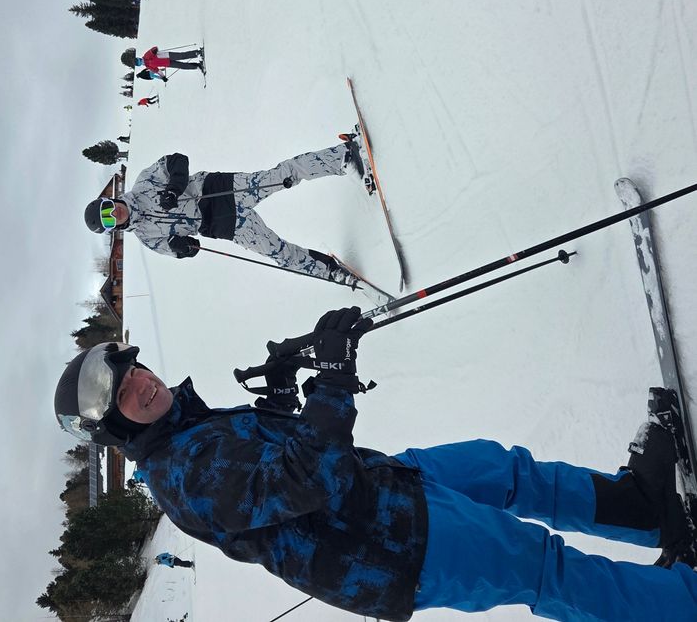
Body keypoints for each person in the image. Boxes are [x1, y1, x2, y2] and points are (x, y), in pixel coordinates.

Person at [54, 307, 697, 621]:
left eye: (131, 366)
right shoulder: (182, 475)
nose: (140, 382)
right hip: (390, 548)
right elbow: (310, 479)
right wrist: (331, 381)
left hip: (387, 486)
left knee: (505, 472)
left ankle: (641, 508)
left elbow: (271, 463)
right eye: (123, 394)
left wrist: (280, 388)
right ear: (114, 425)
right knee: (544, 568)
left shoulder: (184, 427)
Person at [82, 136, 369, 288]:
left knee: (282, 176)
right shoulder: (147, 237)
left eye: (108, 208)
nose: (114, 213)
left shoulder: (144, 183)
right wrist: (184, 247)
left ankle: (341, 158)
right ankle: (331, 271)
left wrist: (173, 188)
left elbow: (177, 160)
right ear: (113, 230)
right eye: (109, 221)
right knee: (277, 253)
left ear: (112, 199)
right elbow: (183, 249)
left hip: (218, 189)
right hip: (222, 225)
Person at [134, 45, 205, 79]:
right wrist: (163, 77)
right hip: (168, 64)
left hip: (167, 56)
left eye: (139, 60)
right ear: (139, 65)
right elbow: (158, 71)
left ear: (139, 58)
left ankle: (197, 53)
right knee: (182, 66)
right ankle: (197, 66)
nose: (141, 61)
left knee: (182, 56)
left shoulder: (146, 56)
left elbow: (154, 49)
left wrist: (154, 50)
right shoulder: (148, 67)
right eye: (139, 63)